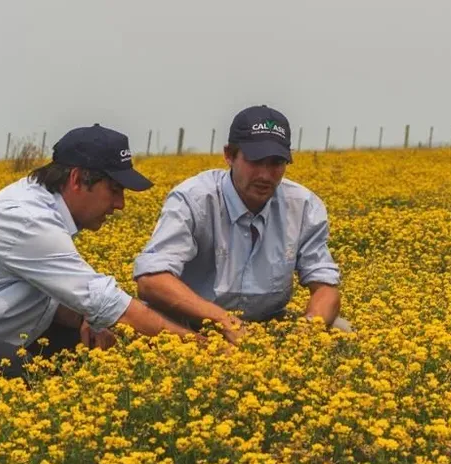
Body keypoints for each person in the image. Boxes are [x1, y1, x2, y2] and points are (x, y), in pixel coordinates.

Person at [0, 124, 191, 396]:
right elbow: (105, 301)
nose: (120, 204)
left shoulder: (39, 208)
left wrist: (87, 322)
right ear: (78, 179)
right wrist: (199, 348)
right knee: (6, 367)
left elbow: (65, 301)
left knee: (87, 350)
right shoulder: (27, 219)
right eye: (114, 189)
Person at [132, 105, 348, 342]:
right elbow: (151, 280)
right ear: (229, 155)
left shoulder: (303, 206)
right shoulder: (194, 199)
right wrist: (222, 320)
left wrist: (303, 336)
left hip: (265, 326)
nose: (265, 175)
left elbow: (326, 288)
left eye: (276, 163)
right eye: (255, 161)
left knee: (339, 330)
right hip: (190, 322)